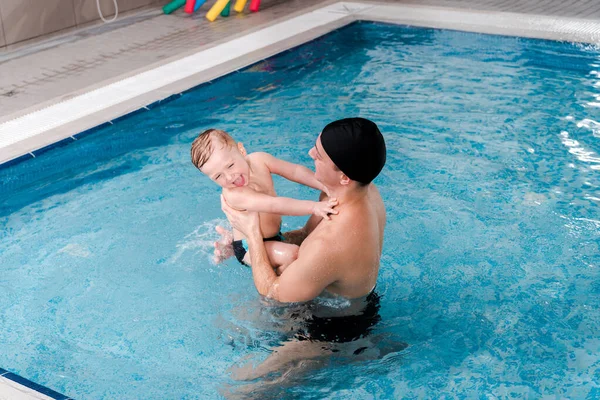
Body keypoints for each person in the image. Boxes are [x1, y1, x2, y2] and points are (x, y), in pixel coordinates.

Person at [217, 118, 389, 383]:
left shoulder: (332, 242)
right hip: (343, 303)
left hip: (330, 333)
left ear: (344, 176)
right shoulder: (359, 193)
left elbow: (274, 292)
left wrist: (251, 232)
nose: (310, 154)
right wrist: (241, 244)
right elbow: (306, 237)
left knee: (238, 388)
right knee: (229, 332)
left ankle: (357, 353)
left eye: (318, 155)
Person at [191, 128, 338, 269]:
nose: (229, 177)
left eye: (230, 165)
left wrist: (324, 186)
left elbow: (294, 171)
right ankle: (276, 291)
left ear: (241, 151)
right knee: (292, 254)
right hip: (249, 246)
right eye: (218, 176)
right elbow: (275, 205)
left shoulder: (259, 160)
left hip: (275, 235)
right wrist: (314, 207)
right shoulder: (235, 195)